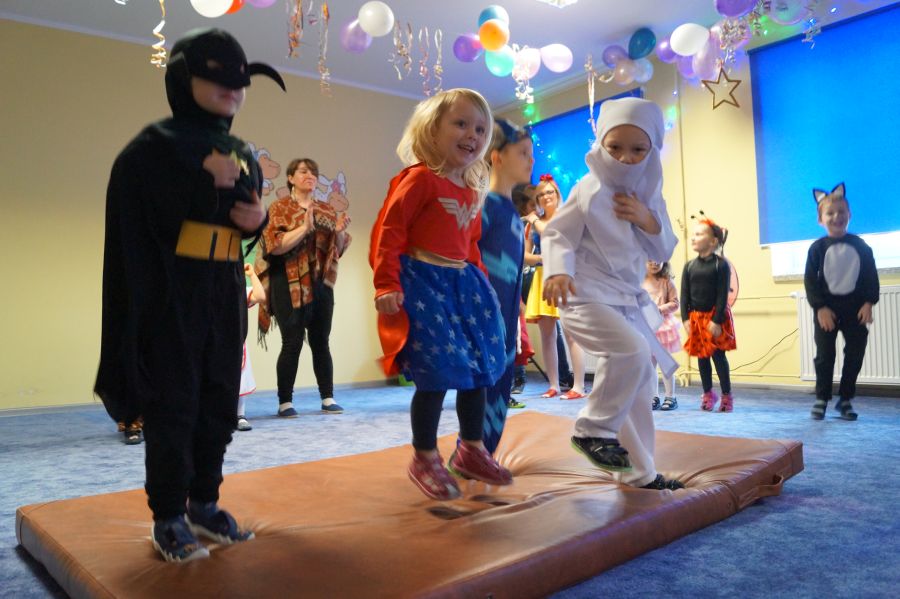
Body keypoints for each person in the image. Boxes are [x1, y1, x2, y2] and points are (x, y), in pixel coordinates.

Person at [94, 28, 285, 561]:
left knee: (220, 399)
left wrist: (256, 220)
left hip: (224, 287)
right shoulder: (154, 146)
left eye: (241, 82)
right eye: (218, 77)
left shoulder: (240, 149)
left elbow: (244, 221)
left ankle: (204, 502)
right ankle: (168, 517)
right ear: (184, 79)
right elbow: (138, 219)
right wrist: (198, 182)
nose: (233, 90)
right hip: (172, 291)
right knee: (174, 402)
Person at [369, 88, 513, 501]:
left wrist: (482, 285)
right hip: (424, 281)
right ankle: (425, 457)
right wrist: (386, 283)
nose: (472, 135)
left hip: (463, 284)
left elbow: (470, 244)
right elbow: (390, 232)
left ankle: (471, 449)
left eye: (480, 129)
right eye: (461, 124)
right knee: (435, 372)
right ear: (433, 130)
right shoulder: (420, 180)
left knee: (479, 368)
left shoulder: (470, 188)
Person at [542, 97, 684, 491]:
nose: (625, 158)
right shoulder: (588, 188)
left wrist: (647, 220)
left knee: (641, 383)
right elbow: (557, 233)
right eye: (615, 147)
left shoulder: (650, 194)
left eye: (637, 149)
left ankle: (640, 472)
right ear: (601, 145)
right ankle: (592, 429)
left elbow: (663, 250)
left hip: (623, 300)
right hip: (583, 295)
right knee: (631, 352)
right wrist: (557, 271)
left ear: (651, 150)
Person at [255, 158, 351, 417]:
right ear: (290, 178)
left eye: (314, 173)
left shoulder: (326, 209)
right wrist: (305, 228)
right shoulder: (279, 208)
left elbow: (335, 251)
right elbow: (274, 246)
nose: (310, 176)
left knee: (321, 341)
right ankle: (285, 402)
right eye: (303, 171)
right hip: (287, 282)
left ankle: (328, 397)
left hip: (320, 284)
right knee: (292, 341)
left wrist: (339, 232)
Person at [477, 118, 534, 448]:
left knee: (502, 378)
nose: (531, 159)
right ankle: (475, 447)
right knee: (485, 380)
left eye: (531, 153)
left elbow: (514, 263)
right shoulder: (485, 206)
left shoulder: (512, 212)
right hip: (486, 312)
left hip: (507, 312)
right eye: (523, 153)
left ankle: (486, 450)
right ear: (497, 157)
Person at [804, 183, 879, 421]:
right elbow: (810, 281)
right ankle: (821, 398)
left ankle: (845, 399)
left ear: (849, 215)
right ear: (820, 220)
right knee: (825, 355)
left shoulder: (861, 246)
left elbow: (870, 276)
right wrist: (820, 307)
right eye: (830, 213)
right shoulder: (816, 248)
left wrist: (869, 303)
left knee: (855, 353)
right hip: (827, 310)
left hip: (855, 309)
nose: (836, 216)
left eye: (841, 212)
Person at [523, 175, 587, 399]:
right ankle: (553, 385)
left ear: (557, 194)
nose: (545, 196)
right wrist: (544, 257)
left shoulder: (566, 216)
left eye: (549, 192)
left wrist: (534, 220)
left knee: (572, 333)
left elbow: (552, 234)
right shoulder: (532, 224)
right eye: (541, 194)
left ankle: (578, 386)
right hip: (542, 277)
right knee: (547, 335)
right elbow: (526, 256)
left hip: (565, 276)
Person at [681, 215, 737, 412]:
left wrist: (716, 320)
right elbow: (684, 295)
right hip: (696, 318)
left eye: (699, 234)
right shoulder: (689, 266)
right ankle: (707, 393)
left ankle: (726, 395)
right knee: (702, 357)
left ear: (713, 241)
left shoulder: (721, 265)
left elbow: (722, 295)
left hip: (715, 318)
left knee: (718, 357)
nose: (693, 237)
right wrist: (685, 319)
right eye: (693, 234)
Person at [642, 260, 681, 411]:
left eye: (658, 259)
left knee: (665, 363)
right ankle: (654, 396)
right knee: (650, 364)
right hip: (647, 326)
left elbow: (675, 303)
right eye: (650, 259)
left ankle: (671, 397)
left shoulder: (667, 281)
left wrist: (659, 309)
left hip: (663, 326)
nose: (655, 263)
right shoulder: (640, 281)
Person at [236, 263, 266, 431]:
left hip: (237, 339)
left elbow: (260, 296)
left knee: (241, 375)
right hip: (215, 339)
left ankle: (240, 415)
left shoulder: (240, 291)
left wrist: (252, 275)